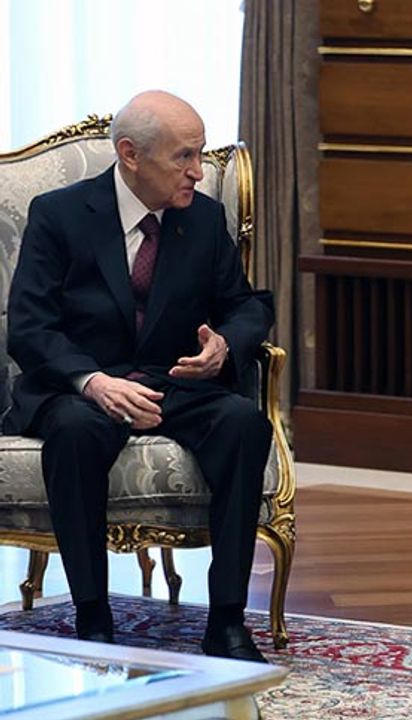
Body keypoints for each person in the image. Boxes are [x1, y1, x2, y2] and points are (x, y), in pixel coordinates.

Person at [3, 91, 275, 662]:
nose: (198, 171)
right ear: (130, 154)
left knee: (242, 424)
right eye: (184, 157)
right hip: (82, 386)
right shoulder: (59, 215)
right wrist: (92, 382)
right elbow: (29, 327)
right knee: (75, 433)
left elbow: (245, 305)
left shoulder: (203, 218)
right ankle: (93, 619)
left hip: (172, 381)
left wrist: (225, 345)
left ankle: (227, 622)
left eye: (200, 154)